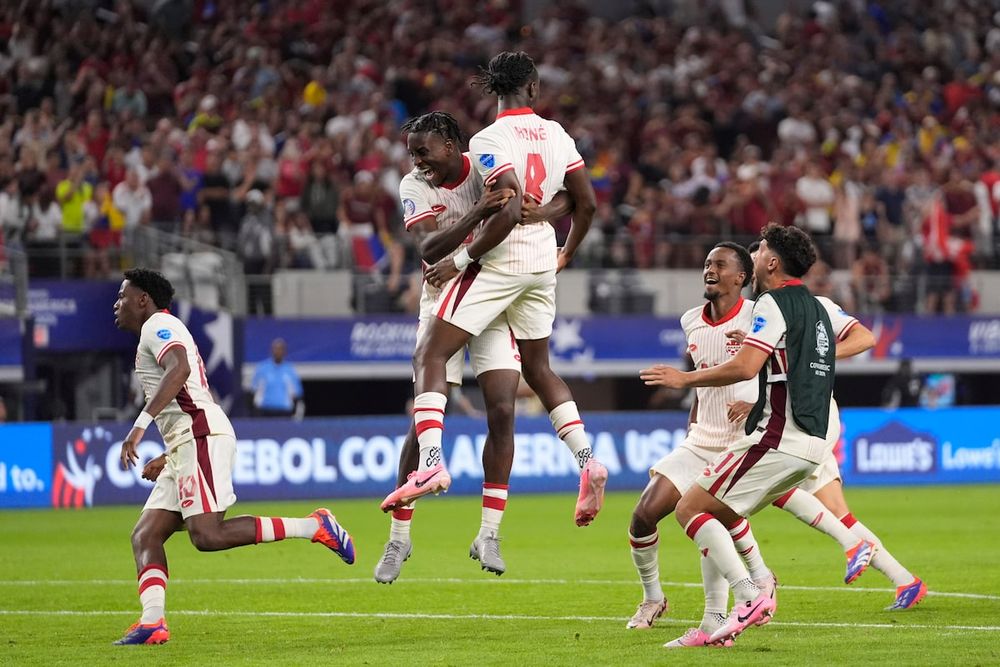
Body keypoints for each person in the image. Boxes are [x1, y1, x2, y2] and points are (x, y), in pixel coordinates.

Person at [401, 52, 607, 528]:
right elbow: (586, 203)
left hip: (500, 260)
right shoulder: (558, 134)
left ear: (496, 91)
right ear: (533, 89)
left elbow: (509, 207)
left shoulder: (489, 139)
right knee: (538, 368)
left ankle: (431, 464)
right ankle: (588, 460)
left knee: (431, 353)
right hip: (543, 263)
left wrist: (460, 259)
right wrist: (566, 250)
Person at [112, 268, 354, 645]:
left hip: (201, 437)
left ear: (143, 299)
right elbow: (186, 396)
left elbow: (180, 370)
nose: (117, 303)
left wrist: (139, 426)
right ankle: (152, 622)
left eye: (123, 295)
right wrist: (169, 450)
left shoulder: (157, 324)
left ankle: (315, 526)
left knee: (206, 535)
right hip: (187, 442)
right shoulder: (157, 329)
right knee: (146, 535)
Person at [376, 111, 568, 582]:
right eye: (412, 154)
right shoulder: (413, 187)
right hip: (441, 298)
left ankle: (489, 532)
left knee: (502, 410)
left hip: (494, 297)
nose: (418, 162)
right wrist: (481, 211)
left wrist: (536, 211)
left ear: (449, 143)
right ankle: (399, 539)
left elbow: (561, 198)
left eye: (424, 151)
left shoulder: (487, 163)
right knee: (420, 429)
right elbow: (428, 248)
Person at [640, 224, 838, 645]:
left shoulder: (770, 303)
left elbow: (745, 368)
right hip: (812, 439)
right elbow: (795, 366)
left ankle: (752, 593)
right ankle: (715, 624)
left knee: (690, 509)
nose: (755, 254)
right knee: (715, 512)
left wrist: (683, 379)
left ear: (771, 262)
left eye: (761, 249)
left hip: (778, 435)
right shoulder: (817, 308)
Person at [742, 241, 927, 611]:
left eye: (755, 257)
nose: (752, 266)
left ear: (771, 264)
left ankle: (752, 589)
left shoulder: (816, 307)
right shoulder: (755, 312)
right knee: (838, 513)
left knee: (760, 490)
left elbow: (865, 337)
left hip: (807, 418)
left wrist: (817, 354)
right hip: (785, 419)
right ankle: (905, 580)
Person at [250, 338, 304, 418]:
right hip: (264, 411)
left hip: (285, 412)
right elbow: (253, 391)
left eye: (280, 349)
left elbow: (297, 394)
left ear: (285, 352)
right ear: (271, 350)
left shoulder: (290, 370)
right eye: (276, 349)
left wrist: (295, 413)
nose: (278, 351)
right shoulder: (262, 369)